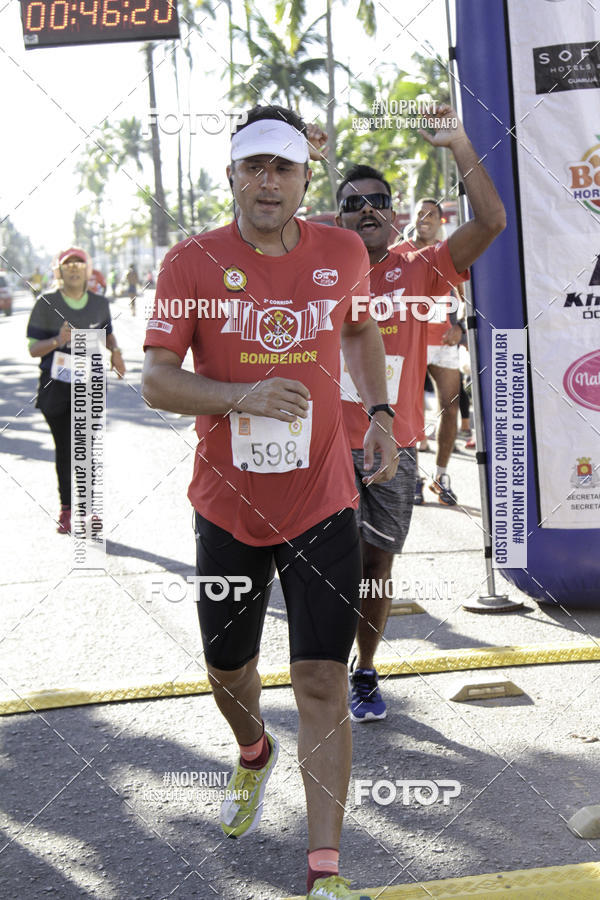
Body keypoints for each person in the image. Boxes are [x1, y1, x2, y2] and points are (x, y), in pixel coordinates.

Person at [143, 104, 399, 900]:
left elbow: (358, 331)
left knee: (321, 678)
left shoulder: (342, 250)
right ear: (230, 176)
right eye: (253, 166)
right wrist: (240, 393)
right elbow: (155, 379)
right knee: (230, 672)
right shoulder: (190, 262)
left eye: (282, 168)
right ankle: (253, 750)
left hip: (323, 497)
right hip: (227, 505)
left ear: (303, 178)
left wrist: (379, 412)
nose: (267, 181)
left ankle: (324, 871)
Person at [337, 104, 506, 722]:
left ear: (393, 208)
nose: (366, 211)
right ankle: (323, 669)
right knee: (327, 563)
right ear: (337, 214)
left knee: (376, 565)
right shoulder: (318, 266)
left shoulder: (421, 267)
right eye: (353, 203)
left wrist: (461, 144)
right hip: (323, 446)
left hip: (393, 446)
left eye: (377, 200)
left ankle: (364, 670)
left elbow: (491, 220)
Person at [27, 246, 125, 533]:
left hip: (90, 387)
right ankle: (67, 509)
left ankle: (89, 510)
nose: (73, 268)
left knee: (86, 449)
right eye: (67, 264)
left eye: (79, 263)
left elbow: (107, 334)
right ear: (59, 270)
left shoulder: (98, 303)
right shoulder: (46, 303)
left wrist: (116, 352)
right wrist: (58, 340)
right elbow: (34, 349)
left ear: (88, 270)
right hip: (55, 388)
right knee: (66, 449)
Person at [400, 199, 466, 505]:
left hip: (443, 343)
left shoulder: (448, 254)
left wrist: (460, 327)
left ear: (440, 221)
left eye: (431, 215)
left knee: (450, 407)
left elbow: (464, 297)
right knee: (408, 412)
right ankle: (412, 477)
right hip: (409, 344)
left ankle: (440, 477)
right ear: (412, 220)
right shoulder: (398, 254)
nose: (424, 219)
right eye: (419, 215)